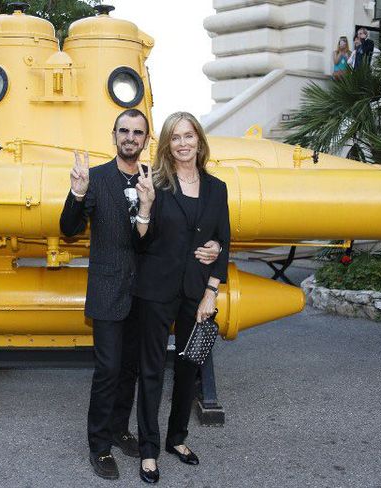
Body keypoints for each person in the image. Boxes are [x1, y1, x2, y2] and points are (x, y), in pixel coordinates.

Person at [59, 109, 221, 481]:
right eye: (124, 131)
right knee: (108, 369)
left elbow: (181, 231)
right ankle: (99, 446)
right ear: (113, 135)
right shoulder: (96, 178)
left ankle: (119, 428)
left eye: (138, 132)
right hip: (109, 287)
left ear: (147, 140)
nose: (130, 137)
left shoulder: (157, 181)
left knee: (132, 368)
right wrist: (77, 192)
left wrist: (211, 246)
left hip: (148, 292)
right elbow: (68, 229)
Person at [132, 112, 230, 483]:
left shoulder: (217, 188)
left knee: (189, 368)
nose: (184, 143)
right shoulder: (154, 184)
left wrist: (211, 289)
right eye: (176, 137)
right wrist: (144, 208)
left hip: (197, 291)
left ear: (200, 142)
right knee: (152, 369)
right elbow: (138, 241)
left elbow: (224, 240)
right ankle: (148, 449)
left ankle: (177, 438)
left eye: (189, 136)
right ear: (167, 145)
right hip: (156, 290)